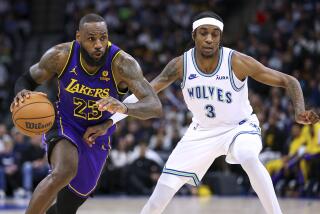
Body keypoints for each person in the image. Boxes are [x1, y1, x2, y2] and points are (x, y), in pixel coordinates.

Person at [103, 11, 320, 214]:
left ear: (220, 37)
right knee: (162, 190)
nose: (209, 39)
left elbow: (288, 80)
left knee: (248, 156)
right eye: (204, 33)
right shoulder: (180, 65)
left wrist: (299, 110)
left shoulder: (236, 61)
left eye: (215, 34)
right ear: (194, 35)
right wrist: (110, 119)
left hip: (240, 127)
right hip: (201, 131)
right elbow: (145, 93)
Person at [10, 13, 162, 214]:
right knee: (64, 171)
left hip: (97, 133)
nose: (99, 44)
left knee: (73, 201)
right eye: (91, 39)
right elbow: (26, 79)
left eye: (103, 38)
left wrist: (124, 107)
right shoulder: (60, 55)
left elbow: (154, 106)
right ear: (78, 37)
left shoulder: (122, 63)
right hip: (65, 122)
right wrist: (21, 92)